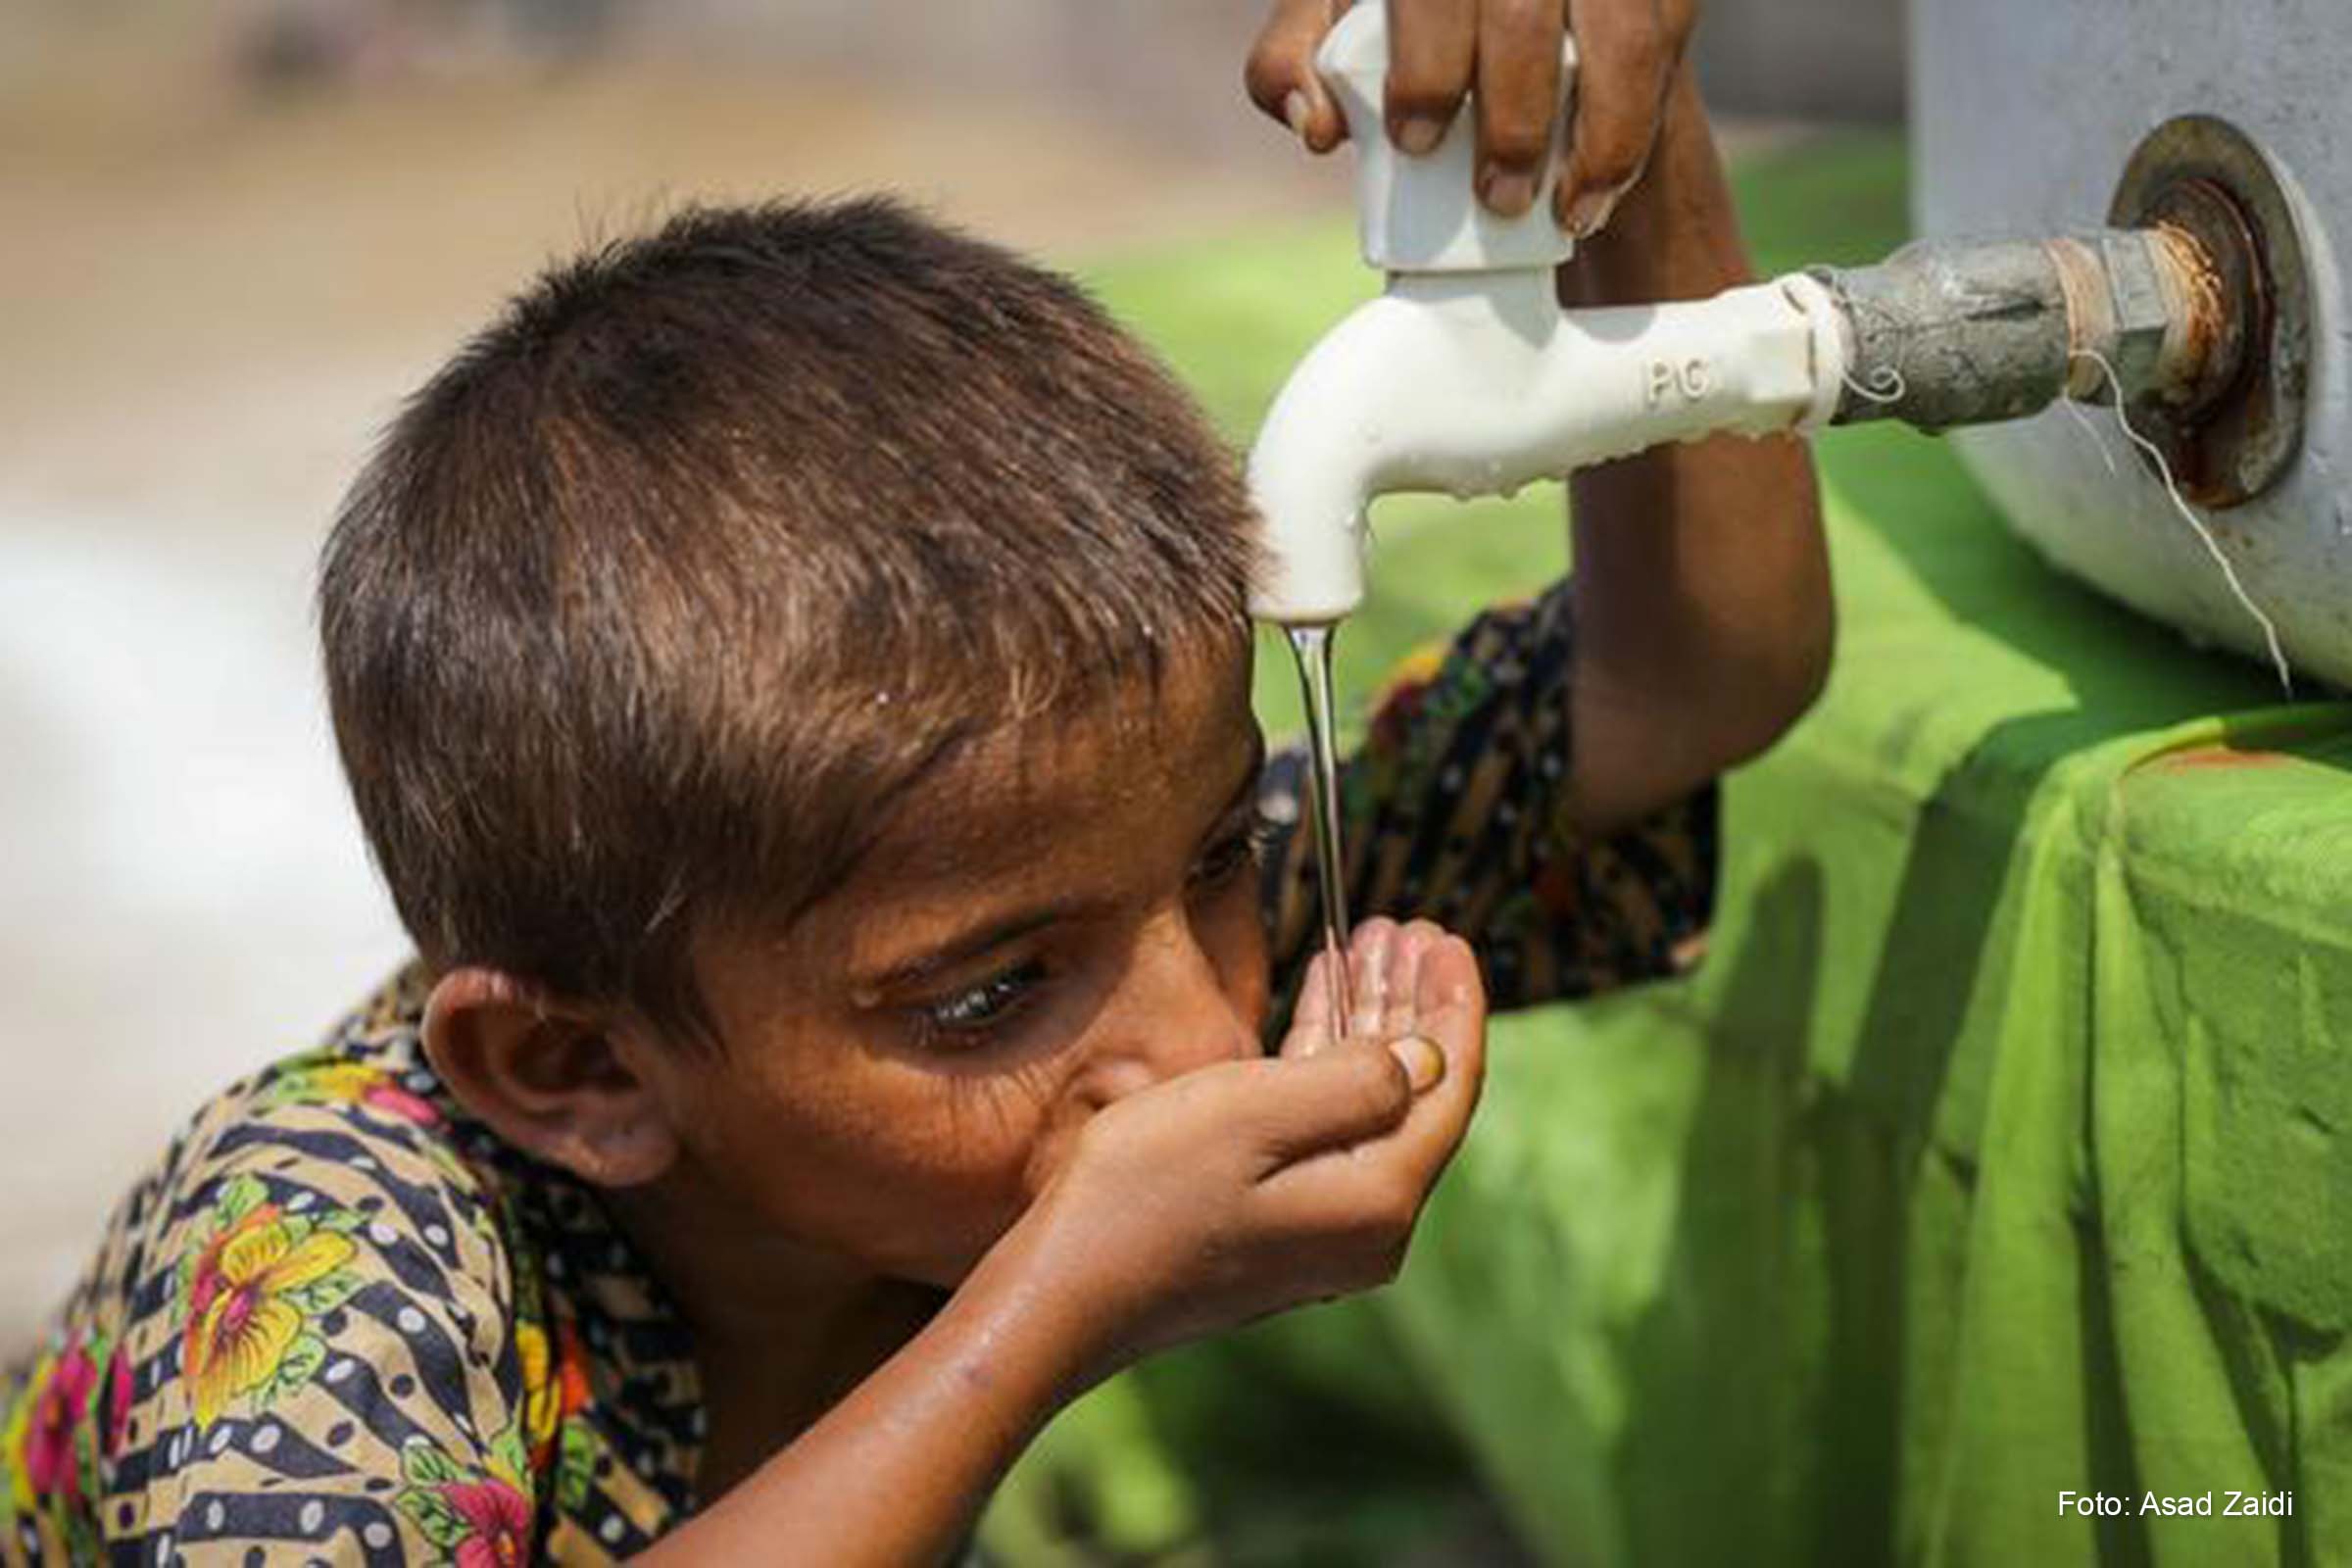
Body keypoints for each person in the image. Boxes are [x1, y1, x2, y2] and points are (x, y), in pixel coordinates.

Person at [0, 2, 1825, 1560]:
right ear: (575, 1069)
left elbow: (1687, 677)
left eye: (1214, 859)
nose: (1197, 1048)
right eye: (978, 998)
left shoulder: (1090, 921)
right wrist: (1055, 1311)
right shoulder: (339, 1239)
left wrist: (1614, 135)